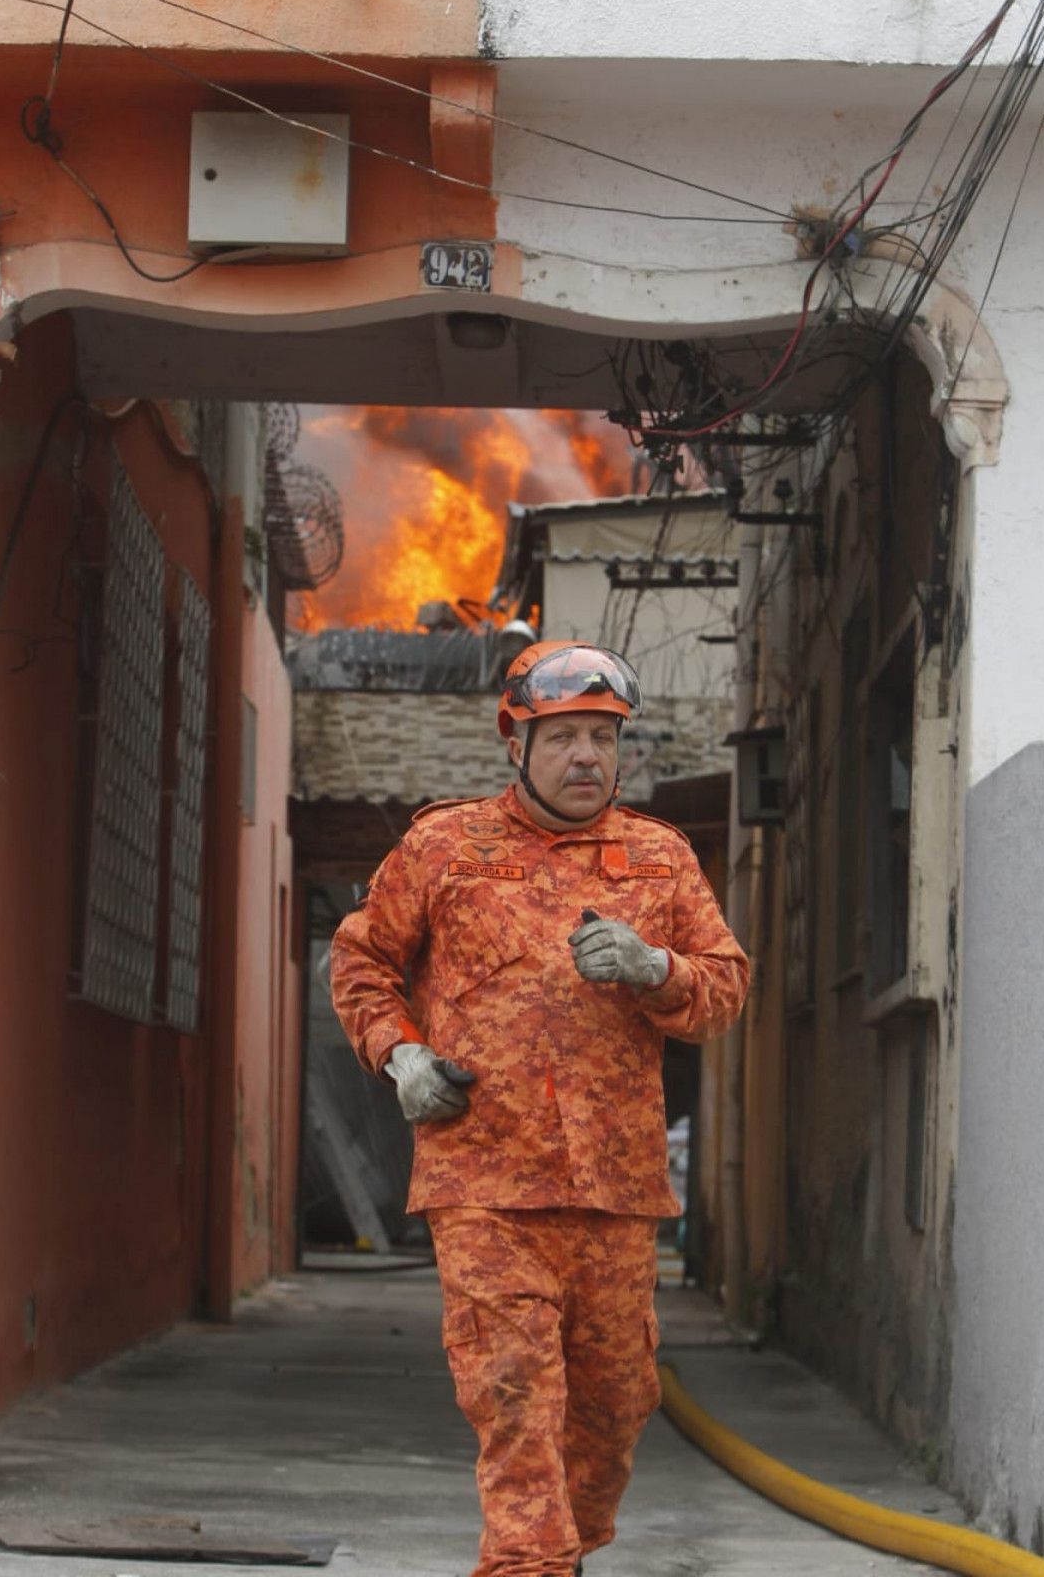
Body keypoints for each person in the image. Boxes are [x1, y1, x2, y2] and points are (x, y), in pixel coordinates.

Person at [331, 640, 749, 1577]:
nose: (587, 757)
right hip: (483, 1179)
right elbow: (360, 959)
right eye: (562, 737)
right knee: (514, 1390)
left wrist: (656, 969)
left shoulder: (659, 860)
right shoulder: (444, 847)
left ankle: (564, 1546)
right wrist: (399, 1055)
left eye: (603, 737)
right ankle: (529, 1565)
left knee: (613, 1403)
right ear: (515, 743)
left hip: (616, 1189)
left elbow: (724, 990)